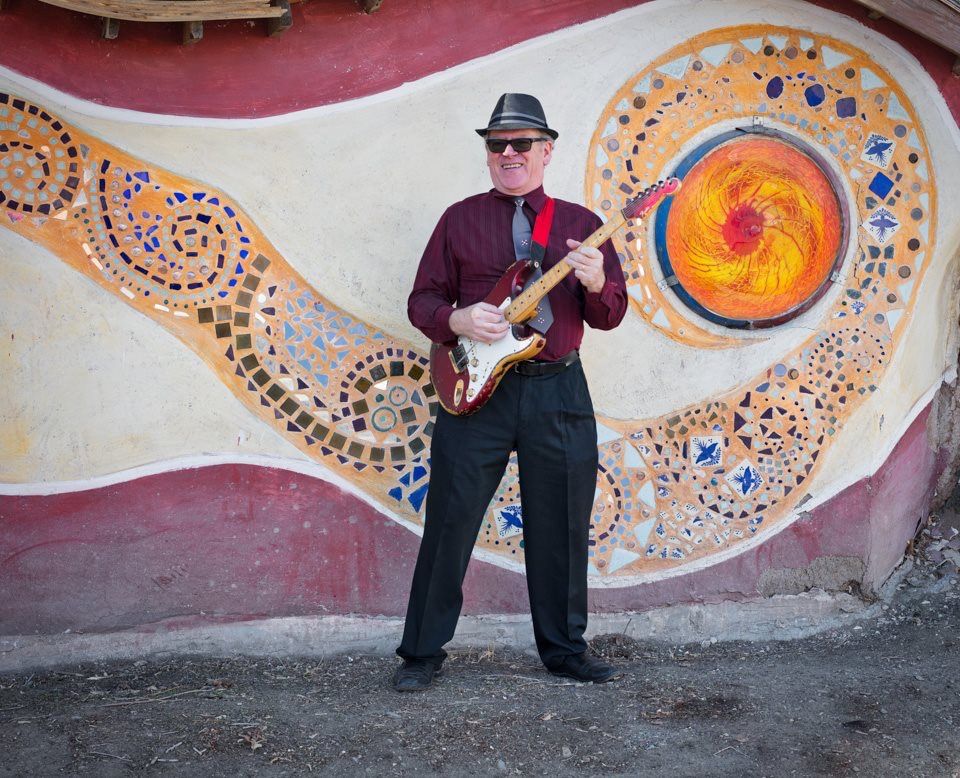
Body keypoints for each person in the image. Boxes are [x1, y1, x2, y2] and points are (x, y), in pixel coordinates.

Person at [394, 93, 628, 691]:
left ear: (546, 151)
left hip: (559, 390)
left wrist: (598, 280)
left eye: (522, 143)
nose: (509, 153)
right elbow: (422, 301)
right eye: (497, 144)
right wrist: (457, 319)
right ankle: (420, 654)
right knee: (450, 521)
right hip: (478, 395)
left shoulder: (582, 226)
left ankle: (565, 651)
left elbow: (610, 315)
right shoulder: (458, 219)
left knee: (563, 525)